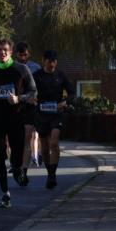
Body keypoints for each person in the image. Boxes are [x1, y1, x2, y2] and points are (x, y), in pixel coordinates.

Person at [0, 39, 37, 208]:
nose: (2, 52)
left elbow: (33, 91)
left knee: (17, 155)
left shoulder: (21, 69)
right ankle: (5, 193)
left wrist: (19, 98)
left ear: (10, 52)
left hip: (16, 117)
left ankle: (17, 168)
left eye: (5, 49)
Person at [32, 49, 75, 189]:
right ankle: (49, 173)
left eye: (54, 61)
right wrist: (32, 99)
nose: (52, 64)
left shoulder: (60, 75)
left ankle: (53, 174)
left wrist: (64, 103)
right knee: (44, 147)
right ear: (43, 61)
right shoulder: (37, 76)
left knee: (54, 142)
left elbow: (72, 93)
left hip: (56, 113)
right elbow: (29, 91)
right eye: (49, 61)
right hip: (41, 114)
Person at [16, 41, 42, 173]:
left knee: (29, 137)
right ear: (16, 54)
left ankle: (24, 168)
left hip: (30, 106)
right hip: (15, 105)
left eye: (25, 55)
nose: (23, 58)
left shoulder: (35, 68)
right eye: (20, 55)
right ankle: (17, 163)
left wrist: (37, 99)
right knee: (16, 139)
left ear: (29, 54)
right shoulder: (13, 67)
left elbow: (39, 87)